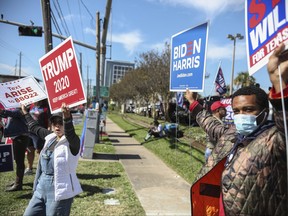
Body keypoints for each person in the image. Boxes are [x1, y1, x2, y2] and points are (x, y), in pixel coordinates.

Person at [185, 43, 287, 215]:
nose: (241, 115)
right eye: (237, 111)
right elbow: (210, 124)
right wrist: (193, 102)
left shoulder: (275, 140)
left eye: (248, 110)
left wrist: (280, 84)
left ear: (264, 111)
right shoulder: (232, 133)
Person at [22, 103, 82, 216]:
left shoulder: (73, 142)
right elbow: (34, 127)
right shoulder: (50, 136)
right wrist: (25, 112)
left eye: (61, 123)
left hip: (59, 191)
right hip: (41, 187)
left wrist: (67, 117)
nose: (57, 126)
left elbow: (69, 132)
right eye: (54, 123)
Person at [0, 107, 32, 191]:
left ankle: (18, 184)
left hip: (20, 138)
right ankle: (18, 181)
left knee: (19, 161)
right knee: (18, 160)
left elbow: (11, 113)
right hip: (18, 137)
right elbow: (5, 114)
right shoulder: (15, 109)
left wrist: (2, 111)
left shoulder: (19, 110)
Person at [25, 99, 51, 175]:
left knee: (40, 151)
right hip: (29, 132)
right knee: (30, 150)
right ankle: (29, 168)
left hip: (40, 132)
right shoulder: (31, 106)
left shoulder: (46, 107)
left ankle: (44, 168)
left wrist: (48, 130)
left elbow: (49, 120)